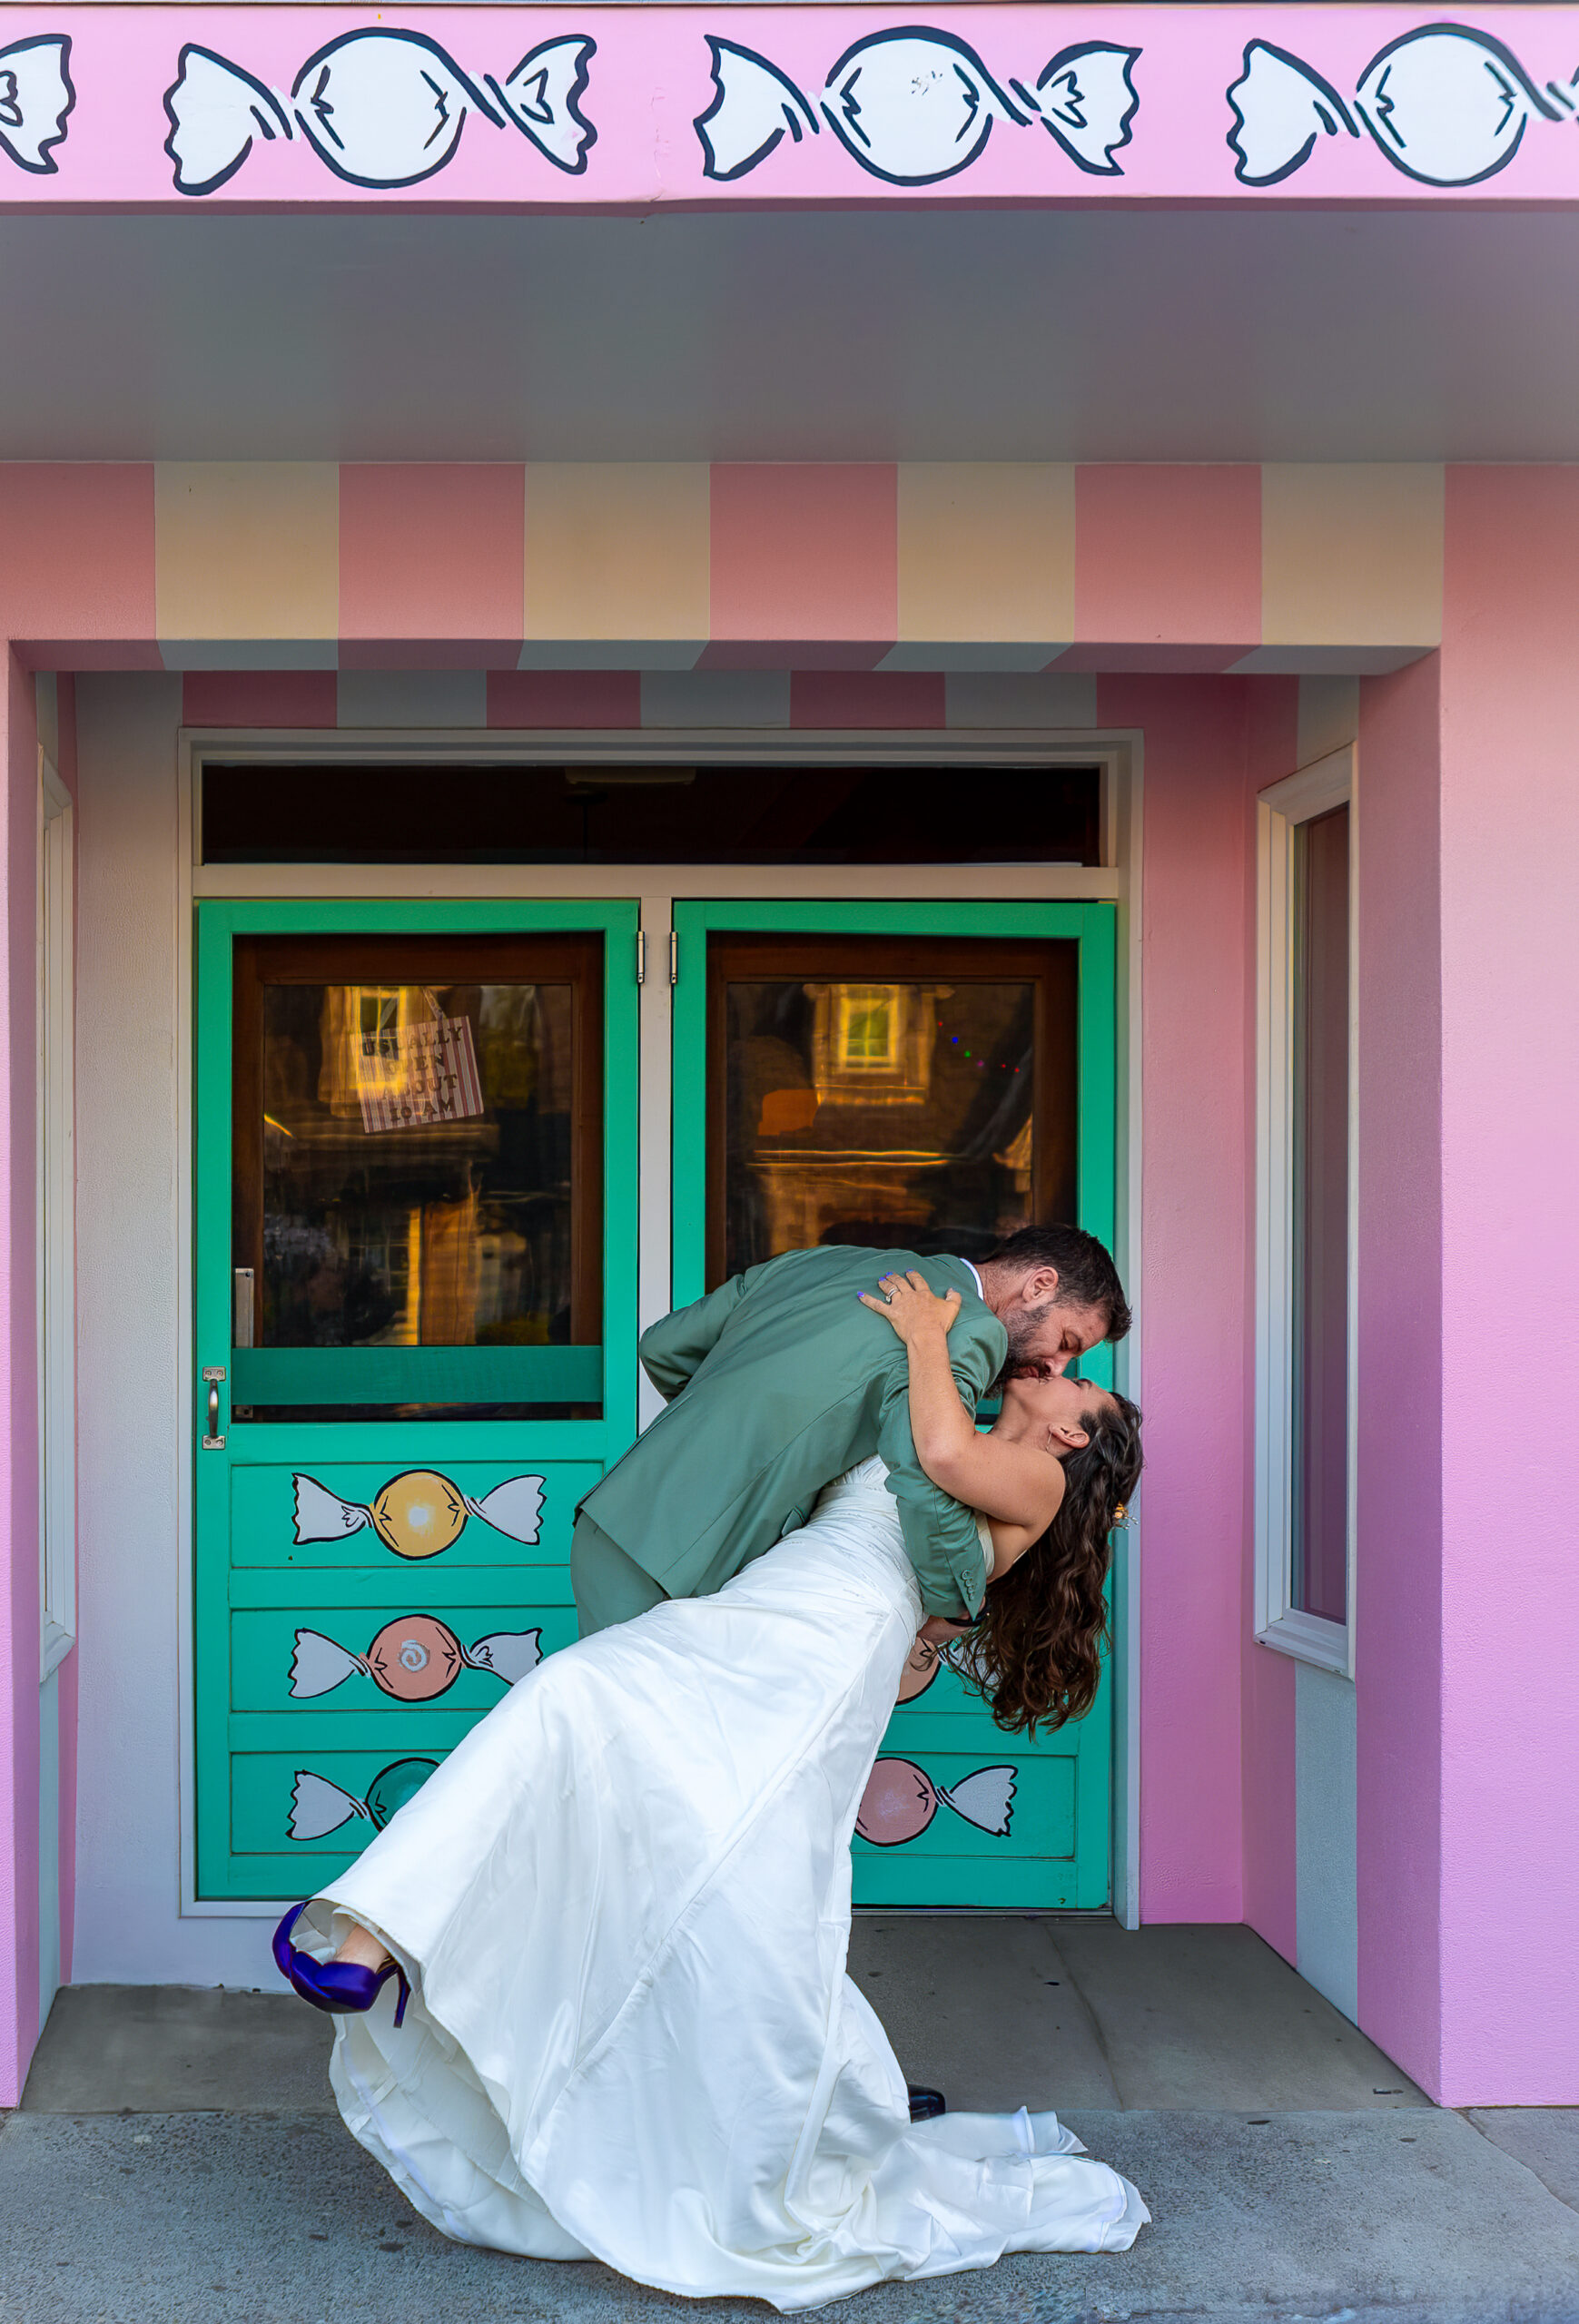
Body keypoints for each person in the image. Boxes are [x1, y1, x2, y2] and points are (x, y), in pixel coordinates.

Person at [273, 1265, 1148, 2307]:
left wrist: (926, 1335)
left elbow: (941, 1465)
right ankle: (384, 1936)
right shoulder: (938, 1400)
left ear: (1070, 1435)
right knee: (584, 1721)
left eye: (1074, 1375)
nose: (1056, 1364)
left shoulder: (1024, 1469)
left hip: (816, 1649)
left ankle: (429, 1961)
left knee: (651, 1784)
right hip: (758, 1609)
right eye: (1069, 1351)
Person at [570, 1223, 1131, 1639]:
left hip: (615, 1518)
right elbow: (927, 1474)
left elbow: (663, 1347)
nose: (1056, 1365)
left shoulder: (832, 1260)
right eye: (1067, 1342)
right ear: (1040, 1285)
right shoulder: (967, 1330)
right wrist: (957, 1607)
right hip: (686, 1554)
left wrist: (729, 1426)